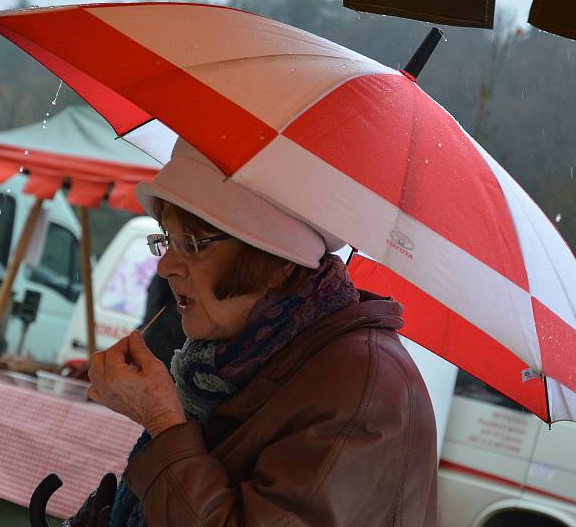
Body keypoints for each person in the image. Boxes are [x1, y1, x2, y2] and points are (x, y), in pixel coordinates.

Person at [72, 138, 438, 527]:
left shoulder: (363, 389)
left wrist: (163, 423)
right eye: (167, 238)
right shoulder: (240, 360)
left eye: (192, 244)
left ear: (276, 261)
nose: (166, 267)